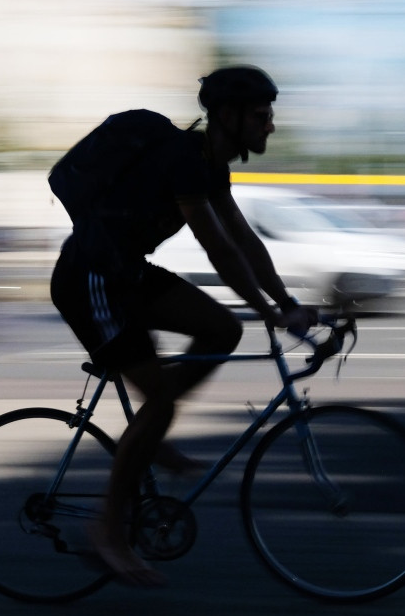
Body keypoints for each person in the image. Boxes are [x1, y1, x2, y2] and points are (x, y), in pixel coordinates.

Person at [50, 65, 316, 587]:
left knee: (222, 330)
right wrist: (269, 311)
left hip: (126, 273)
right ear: (230, 117)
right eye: (262, 117)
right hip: (91, 279)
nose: (270, 127)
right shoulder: (182, 160)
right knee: (164, 403)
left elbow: (244, 240)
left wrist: (285, 300)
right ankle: (108, 532)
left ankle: (150, 434)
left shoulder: (210, 167)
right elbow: (218, 249)